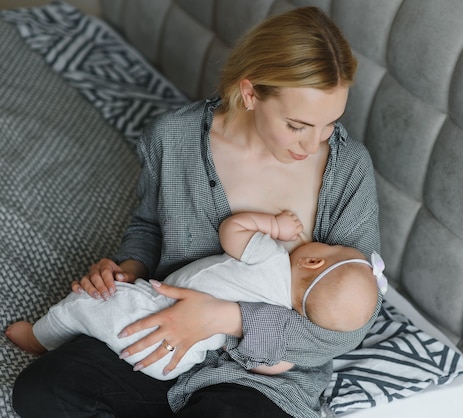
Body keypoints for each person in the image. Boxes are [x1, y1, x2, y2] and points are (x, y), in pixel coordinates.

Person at [12, 6, 381, 418]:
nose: (313, 145)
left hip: (263, 376)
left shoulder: (348, 169)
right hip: (159, 327)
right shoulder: (174, 137)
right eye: (298, 125)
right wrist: (126, 269)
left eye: (329, 124)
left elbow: (351, 324)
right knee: (41, 391)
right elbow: (149, 226)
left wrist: (226, 317)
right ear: (250, 94)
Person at [7, 210, 387, 380]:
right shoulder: (280, 317)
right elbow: (267, 365)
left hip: (155, 312)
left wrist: (273, 225)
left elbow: (232, 229)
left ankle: (40, 337)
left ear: (314, 260)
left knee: (86, 305)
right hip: (178, 362)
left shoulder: (269, 258)